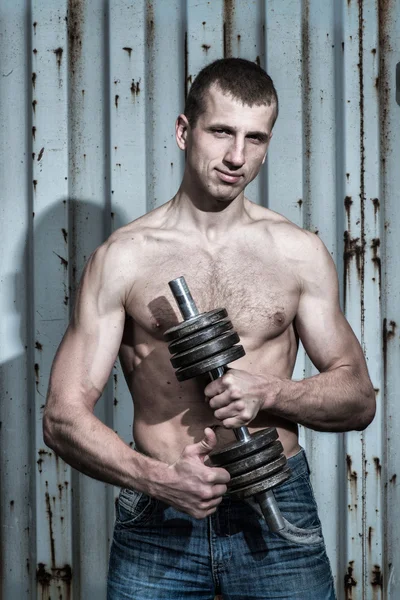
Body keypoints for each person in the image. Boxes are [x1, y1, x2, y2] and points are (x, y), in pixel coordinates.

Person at [44, 58, 376, 599]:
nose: (237, 157)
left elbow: (359, 400)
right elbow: (61, 417)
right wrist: (156, 479)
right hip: (160, 512)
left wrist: (270, 391)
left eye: (255, 138)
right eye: (221, 131)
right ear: (183, 131)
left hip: (276, 504)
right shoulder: (123, 258)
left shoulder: (297, 253)